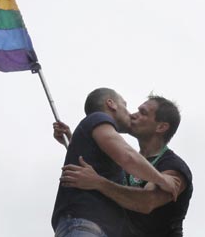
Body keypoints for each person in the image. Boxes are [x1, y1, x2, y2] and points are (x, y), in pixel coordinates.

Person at [51, 88, 180, 237]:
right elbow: (128, 157)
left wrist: (74, 141)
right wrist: (162, 179)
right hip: (86, 225)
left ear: (161, 127)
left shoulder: (172, 163)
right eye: (125, 105)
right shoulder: (98, 118)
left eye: (143, 113)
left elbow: (94, 161)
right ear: (111, 104)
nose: (131, 114)